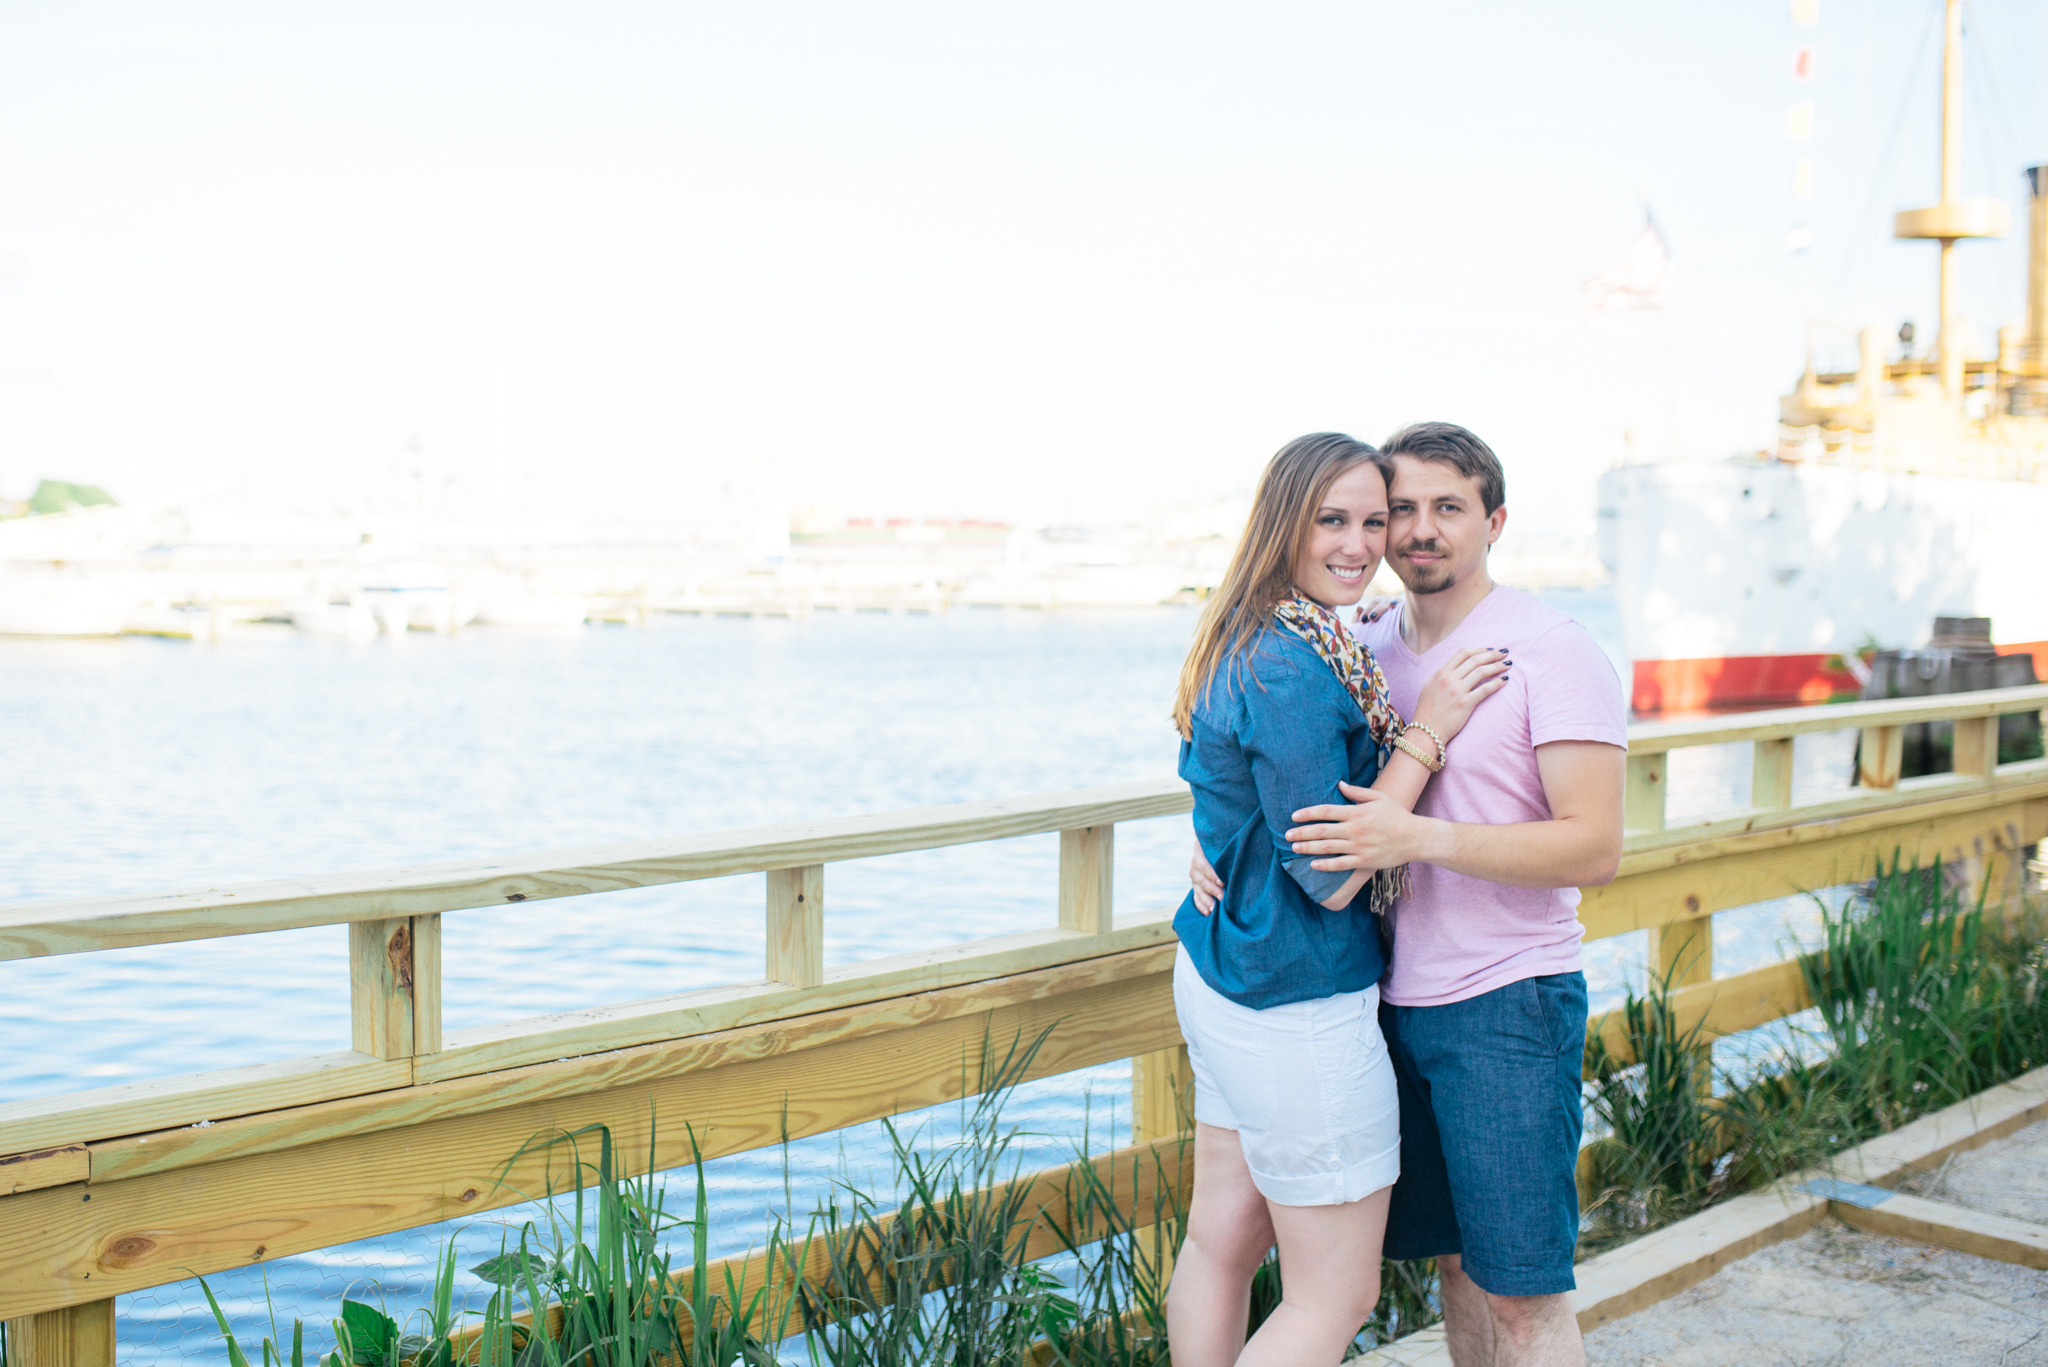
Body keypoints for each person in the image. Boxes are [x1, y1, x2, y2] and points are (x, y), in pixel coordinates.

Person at [1198, 421, 1625, 1367]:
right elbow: (1252, 756)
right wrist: (1214, 848)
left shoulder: (1551, 649)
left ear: (1495, 520)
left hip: (1505, 1002)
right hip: (1385, 1002)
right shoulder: (1362, 641)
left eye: (1448, 507)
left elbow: (1595, 846)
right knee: (1459, 1271)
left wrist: (1416, 835)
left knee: (1524, 1294)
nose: (1418, 530)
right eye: (1401, 510)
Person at [1166, 431, 1508, 1367]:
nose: (1360, 544)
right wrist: (1428, 732)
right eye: (1333, 521)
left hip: (1222, 972)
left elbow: (1218, 777)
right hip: (1295, 1002)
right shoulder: (1292, 664)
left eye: (1376, 518)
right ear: (1285, 523)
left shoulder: (1261, 630)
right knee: (1335, 1291)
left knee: (1222, 1242)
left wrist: (1214, 846)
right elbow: (1332, 871)